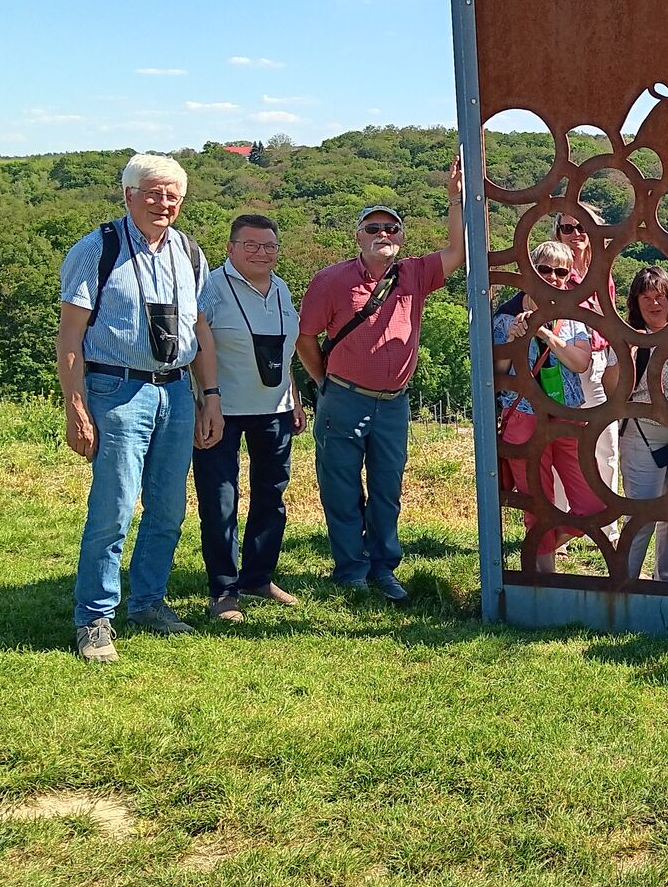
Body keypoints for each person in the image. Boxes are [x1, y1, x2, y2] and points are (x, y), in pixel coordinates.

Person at [57, 153, 222, 663]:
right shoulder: (97, 248)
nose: (163, 203)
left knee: (168, 510)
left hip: (175, 391)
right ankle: (94, 618)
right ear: (128, 194)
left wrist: (210, 397)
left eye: (172, 195)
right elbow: (69, 336)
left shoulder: (190, 252)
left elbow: (200, 329)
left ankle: (148, 603)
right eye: (152, 193)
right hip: (117, 390)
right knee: (114, 509)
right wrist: (75, 407)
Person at [295, 158, 464, 600]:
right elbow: (306, 337)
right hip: (343, 399)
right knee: (341, 487)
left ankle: (383, 568)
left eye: (391, 228)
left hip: (393, 403)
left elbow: (458, 251)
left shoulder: (415, 274)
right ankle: (351, 570)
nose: (382, 234)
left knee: (387, 489)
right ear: (358, 237)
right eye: (373, 228)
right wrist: (325, 383)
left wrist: (454, 198)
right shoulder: (330, 280)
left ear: (401, 237)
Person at [192, 214, 306, 622]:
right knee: (220, 501)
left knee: (271, 496)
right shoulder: (209, 288)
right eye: (251, 245)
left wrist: (295, 397)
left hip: (274, 410)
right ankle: (224, 590)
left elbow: (285, 351)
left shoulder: (281, 288)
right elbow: (194, 345)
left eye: (269, 246)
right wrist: (205, 402)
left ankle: (258, 577)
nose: (261, 253)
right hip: (221, 410)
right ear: (230, 248)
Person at [493, 240, 607, 570]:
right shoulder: (506, 316)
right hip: (524, 417)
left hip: (567, 415)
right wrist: (513, 341)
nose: (553, 277)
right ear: (530, 270)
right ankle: (543, 578)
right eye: (545, 269)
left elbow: (581, 363)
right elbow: (497, 375)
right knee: (538, 505)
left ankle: (539, 550)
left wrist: (546, 335)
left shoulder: (572, 316)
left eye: (561, 272)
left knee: (593, 503)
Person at [605, 266, 668, 581]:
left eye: (659, 295)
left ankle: (665, 580)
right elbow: (611, 388)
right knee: (642, 516)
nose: (654, 303)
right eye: (645, 297)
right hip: (643, 436)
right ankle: (626, 584)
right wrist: (629, 353)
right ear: (635, 302)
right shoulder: (630, 337)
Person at [553, 204, 623, 543]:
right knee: (561, 445)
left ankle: (607, 526)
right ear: (558, 233)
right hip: (566, 364)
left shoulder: (601, 271)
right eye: (567, 227)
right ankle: (559, 529)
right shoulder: (556, 269)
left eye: (582, 227)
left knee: (606, 445)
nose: (576, 233)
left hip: (598, 361)